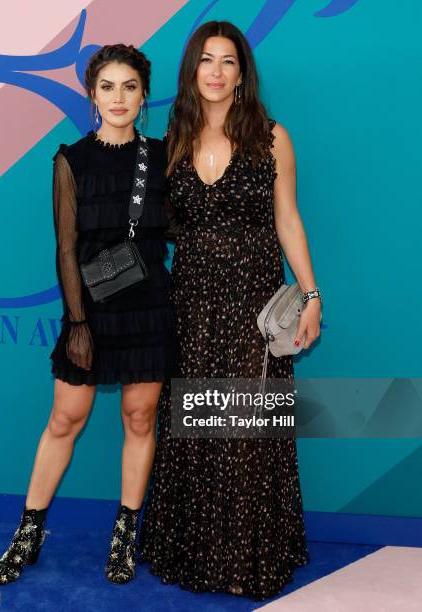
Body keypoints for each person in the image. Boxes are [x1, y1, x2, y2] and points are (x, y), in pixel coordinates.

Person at [138, 21, 321, 600]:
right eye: (206, 61)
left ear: (242, 75)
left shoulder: (271, 137)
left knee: (244, 431)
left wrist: (312, 294)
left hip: (254, 303)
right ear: (192, 71)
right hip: (189, 304)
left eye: (228, 62)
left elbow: (287, 219)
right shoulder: (173, 139)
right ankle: (193, 557)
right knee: (194, 430)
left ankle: (247, 558)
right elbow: (151, 226)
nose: (216, 72)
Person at [0, 44, 176, 586]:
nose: (118, 97)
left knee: (140, 420)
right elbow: (66, 247)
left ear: (144, 97)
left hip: (148, 310)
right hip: (90, 312)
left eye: (130, 87)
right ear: (92, 95)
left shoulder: (164, 155)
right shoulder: (71, 159)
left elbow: (181, 229)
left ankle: (124, 536)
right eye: (107, 87)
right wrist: (76, 325)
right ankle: (28, 532)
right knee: (64, 420)